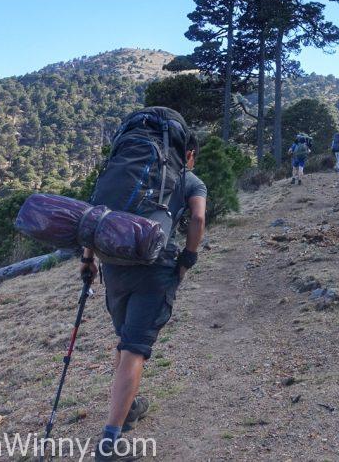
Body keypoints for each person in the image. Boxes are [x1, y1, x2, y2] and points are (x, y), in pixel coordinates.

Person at [80, 135, 207, 460]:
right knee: (135, 347)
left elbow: (95, 216)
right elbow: (198, 219)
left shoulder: (124, 177)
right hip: (155, 268)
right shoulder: (189, 180)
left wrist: (88, 258)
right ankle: (110, 442)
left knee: (125, 340)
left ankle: (130, 404)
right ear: (188, 153)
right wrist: (188, 259)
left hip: (114, 266)